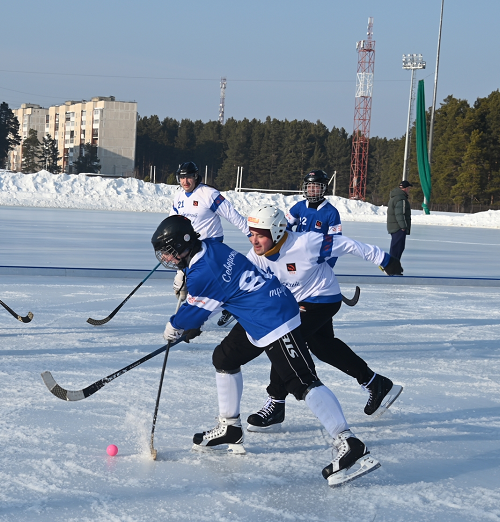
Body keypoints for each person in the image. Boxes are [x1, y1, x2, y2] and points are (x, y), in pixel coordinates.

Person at [151, 215, 379, 486]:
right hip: (255, 311)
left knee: (301, 382)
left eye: (169, 251)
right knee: (225, 357)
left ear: (185, 244)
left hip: (273, 318)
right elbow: (216, 290)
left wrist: (175, 326)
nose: (166, 257)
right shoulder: (211, 246)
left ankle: (349, 444)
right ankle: (230, 428)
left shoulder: (203, 273)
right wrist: (187, 282)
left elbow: (193, 312)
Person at [243, 205, 404, 432]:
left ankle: (276, 402)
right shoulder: (255, 256)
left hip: (323, 298)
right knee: (323, 346)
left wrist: (385, 259)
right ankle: (376, 383)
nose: (254, 240)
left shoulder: (307, 243)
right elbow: (249, 286)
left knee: (284, 339)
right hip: (296, 302)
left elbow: (347, 244)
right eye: (251, 234)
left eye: (260, 235)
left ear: (277, 231)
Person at [169, 160, 251, 325]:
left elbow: (231, 214)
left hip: (211, 247)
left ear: (196, 176)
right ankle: (192, 318)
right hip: (190, 249)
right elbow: (172, 223)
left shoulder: (208, 193)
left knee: (205, 285)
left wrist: (250, 233)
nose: (185, 181)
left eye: (189, 177)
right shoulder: (179, 197)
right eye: (182, 178)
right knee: (187, 286)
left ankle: (191, 321)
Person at [286, 169, 342, 267]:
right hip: (296, 255)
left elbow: (335, 241)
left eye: (315, 186)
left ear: (324, 188)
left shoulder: (331, 212)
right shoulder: (299, 206)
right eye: (309, 186)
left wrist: (327, 265)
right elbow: (284, 226)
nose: (311, 189)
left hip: (317, 259)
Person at [387, 180, 412, 268]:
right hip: (398, 228)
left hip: (394, 226)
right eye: (409, 188)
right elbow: (400, 214)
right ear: (406, 188)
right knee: (397, 248)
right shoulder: (401, 199)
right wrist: (403, 226)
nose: (409, 190)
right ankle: (392, 267)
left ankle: (393, 266)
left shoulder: (395, 197)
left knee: (396, 247)